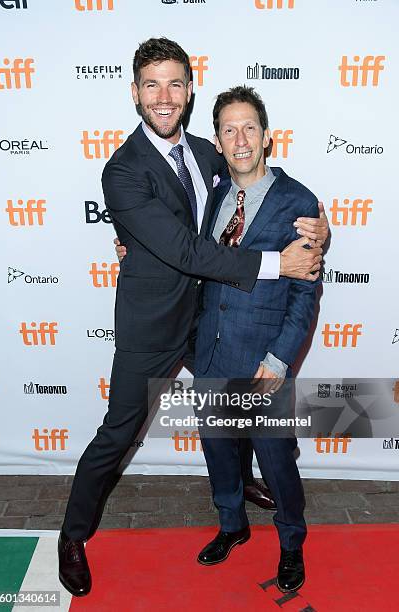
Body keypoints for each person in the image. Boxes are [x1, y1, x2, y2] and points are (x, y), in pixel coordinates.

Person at [58, 38, 328, 598]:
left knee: (243, 417)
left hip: (209, 324)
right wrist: (281, 262)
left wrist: (322, 231)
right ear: (134, 92)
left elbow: (269, 196)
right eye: (151, 84)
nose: (164, 96)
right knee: (117, 434)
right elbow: (185, 249)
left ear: (188, 90)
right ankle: (72, 537)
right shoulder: (123, 172)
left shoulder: (208, 152)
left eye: (175, 83)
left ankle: (254, 501)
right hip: (152, 328)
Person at [190, 86, 321, 593]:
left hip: (264, 359)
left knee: (275, 461)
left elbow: (305, 291)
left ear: (267, 136)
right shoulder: (216, 195)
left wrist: (281, 357)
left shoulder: (298, 201)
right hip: (212, 352)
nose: (240, 139)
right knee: (219, 451)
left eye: (249, 128)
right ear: (218, 141)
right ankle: (232, 526)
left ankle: (291, 543)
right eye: (228, 130)